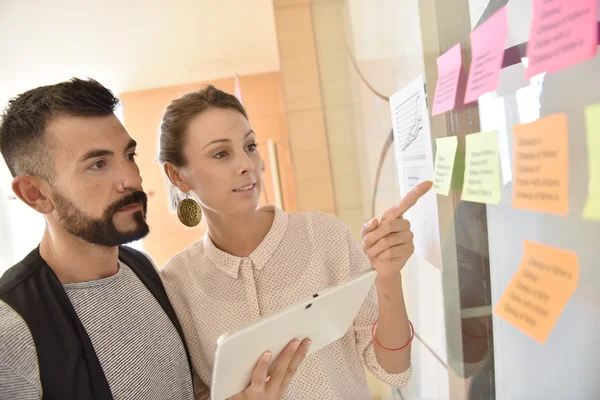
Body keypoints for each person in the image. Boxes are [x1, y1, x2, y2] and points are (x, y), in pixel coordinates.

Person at [0, 78, 308, 400]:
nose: (132, 179)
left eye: (129, 155)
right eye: (98, 164)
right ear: (35, 194)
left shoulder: (143, 270)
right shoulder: (11, 330)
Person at [159, 85, 432, 399]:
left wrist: (388, 276)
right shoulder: (177, 283)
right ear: (178, 176)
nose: (247, 164)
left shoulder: (324, 235)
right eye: (221, 153)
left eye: (250, 146)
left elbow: (393, 369)